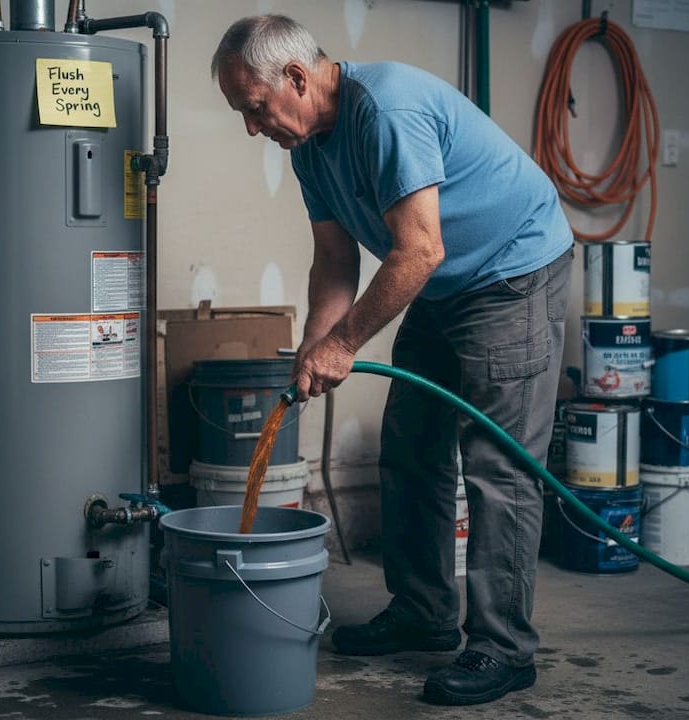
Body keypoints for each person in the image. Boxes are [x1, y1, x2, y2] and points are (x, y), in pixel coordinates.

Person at [212, 15, 573, 707]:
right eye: (243, 116)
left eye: (255, 109)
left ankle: (503, 649)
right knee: (411, 446)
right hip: (441, 281)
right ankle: (425, 612)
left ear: (295, 77)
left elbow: (418, 251)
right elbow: (335, 258)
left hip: (511, 270)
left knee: (499, 466)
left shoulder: (385, 111)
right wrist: (317, 346)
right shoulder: (308, 145)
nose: (254, 128)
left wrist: (346, 345)